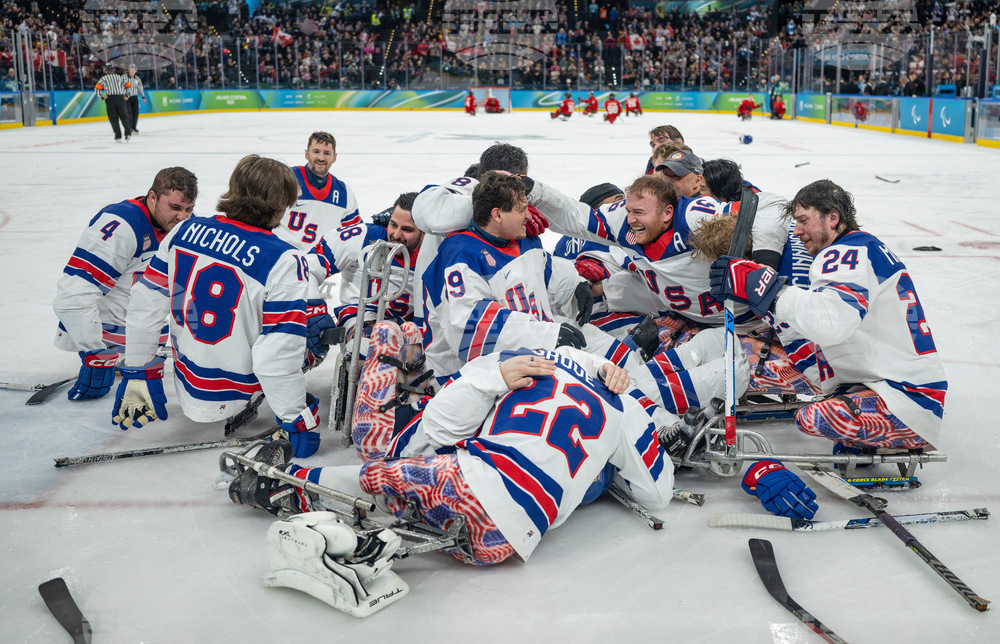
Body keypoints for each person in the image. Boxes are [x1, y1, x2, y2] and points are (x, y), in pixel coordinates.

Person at [229, 325, 676, 567]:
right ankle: (387, 524)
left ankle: (285, 484)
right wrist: (603, 472)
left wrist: (490, 380)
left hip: (455, 477)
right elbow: (657, 495)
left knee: (375, 476)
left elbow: (439, 430)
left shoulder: (516, 361)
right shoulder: (626, 406)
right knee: (410, 488)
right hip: (509, 542)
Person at [710, 179, 947, 451]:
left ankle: (885, 431)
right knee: (745, 358)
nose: (796, 231)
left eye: (803, 220)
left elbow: (832, 324)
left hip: (906, 402)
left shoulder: (848, 251)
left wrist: (767, 290)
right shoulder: (859, 248)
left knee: (812, 418)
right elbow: (824, 332)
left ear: (832, 218)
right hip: (880, 382)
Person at [115, 155, 324, 458]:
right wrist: (295, 418)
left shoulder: (182, 231)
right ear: (280, 205)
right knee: (309, 333)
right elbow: (277, 354)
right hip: (238, 393)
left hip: (187, 383)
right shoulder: (285, 259)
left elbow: (145, 306)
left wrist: (138, 370)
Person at [54, 168, 198, 401]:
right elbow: (73, 295)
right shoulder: (122, 224)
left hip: (145, 350)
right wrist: (96, 353)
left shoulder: (183, 228)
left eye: (188, 209)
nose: (183, 217)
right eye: (174, 208)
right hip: (111, 350)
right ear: (152, 196)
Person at [308, 192, 421, 334]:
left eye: (407, 230)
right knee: (382, 335)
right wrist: (313, 308)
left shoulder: (435, 253)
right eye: (393, 224)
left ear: (424, 231)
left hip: (407, 329)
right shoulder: (363, 236)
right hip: (360, 323)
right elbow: (307, 269)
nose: (396, 235)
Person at [274, 131, 360, 251]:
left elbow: (355, 236)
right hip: (282, 258)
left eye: (327, 153)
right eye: (316, 152)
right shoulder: (285, 179)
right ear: (306, 154)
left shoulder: (344, 194)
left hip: (319, 264)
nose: (321, 158)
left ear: (334, 157)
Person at [95, 64, 132, 142]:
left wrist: (102, 97)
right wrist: (126, 95)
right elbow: (128, 86)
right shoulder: (120, 77)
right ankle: (128, 133)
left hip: (110, 99)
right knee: (124, 116)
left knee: (113, 118)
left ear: (106, 71)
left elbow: (97, 89)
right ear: (113, 71)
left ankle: (118, 136)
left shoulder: (104, 78)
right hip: (120, 98)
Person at [125, 64, 146, 134]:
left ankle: (134, 127)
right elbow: (120, 86)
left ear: (135, 71)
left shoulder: (137, 79)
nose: (132, 71)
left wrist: (143, 97)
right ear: (129, 71)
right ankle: (130, 127)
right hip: (127, 98)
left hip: (134, 97)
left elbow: (140, 88)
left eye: (133, 70)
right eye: (131, 70)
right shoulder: (124, 78)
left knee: (135, 113)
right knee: (129, 113)